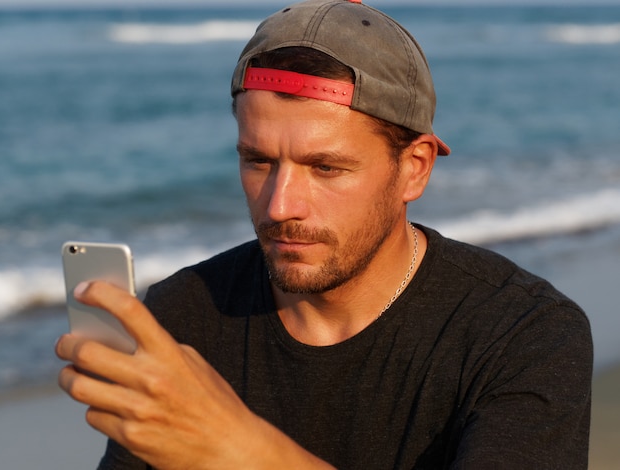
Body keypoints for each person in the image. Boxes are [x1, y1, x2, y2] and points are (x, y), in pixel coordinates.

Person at [55, 1, 593, 468]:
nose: (279, 205)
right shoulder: (186, 312)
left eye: (327, 168)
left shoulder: (523, 334)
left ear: (415, 168)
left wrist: (239, 450)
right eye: (258, 161)